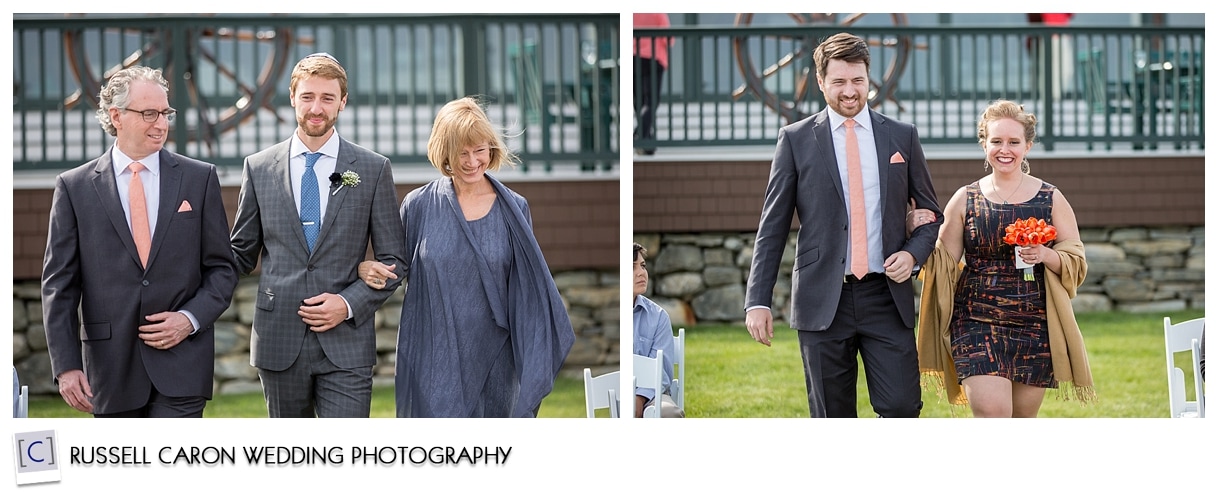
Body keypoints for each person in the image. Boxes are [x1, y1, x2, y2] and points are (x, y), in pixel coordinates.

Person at [743, 33, 942, 418]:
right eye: (839, 82)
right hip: (822, 300)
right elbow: (773, 226)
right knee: (832, 417)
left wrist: (912, 253)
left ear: (869, 78)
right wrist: (758, 300)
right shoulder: (795, 139)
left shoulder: (902, 136)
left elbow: (931, 214)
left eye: (858, 80)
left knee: (902, 406)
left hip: (886, 296)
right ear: (820, 82)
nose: (850, 91)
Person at [357, 97, 575, 417]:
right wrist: (365, 268)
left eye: (480, 150)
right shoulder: (418, 206)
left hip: (497, 359)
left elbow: (528, 289)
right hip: (434, 356)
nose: (473, 161)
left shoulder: (515, 209)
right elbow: (393, 270)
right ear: (445, 152)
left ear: (492, 149)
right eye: (462, 152)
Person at [42, 66, 238, 417]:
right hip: (109, 369)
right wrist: (66, 366)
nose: (161, 123)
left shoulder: (199, 178)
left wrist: (189, 319)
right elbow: (60, 285)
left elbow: (222, 269)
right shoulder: (74, 188)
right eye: (149, 113)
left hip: (182, 365)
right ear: (116, 116)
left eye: (166, 113)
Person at [229, 53, 407, 418]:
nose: (316, 107)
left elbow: (394, 260)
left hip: (347, 344)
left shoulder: (372, 169)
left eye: (327, 98)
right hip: (279, 339)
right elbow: (240, 254)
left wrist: (347, 305)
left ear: (342, 102)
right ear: (292, 97)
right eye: (308, 96)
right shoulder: (259, 168)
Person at [916, 100, 1095, 418]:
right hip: (976, 323)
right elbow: (943, 261)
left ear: (1028, 145)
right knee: (993, 416)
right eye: (996, 141)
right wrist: (916, 230)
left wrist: (1045, 254)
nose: (1005, 149)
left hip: (1035, 326)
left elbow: (1075, 259)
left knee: (1022, 421)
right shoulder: (965, 198)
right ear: (984, 143)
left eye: (1014, 142)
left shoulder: (1051, 198)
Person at [632, 243, 684, 418]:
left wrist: (639, 399)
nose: (641, 272)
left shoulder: (658, 316)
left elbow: (661, 372)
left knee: (669, 414)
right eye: (632, 267)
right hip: (615, 393)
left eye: (643, 266)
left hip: (653, 395)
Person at [633, 13, 671, 156]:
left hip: (633, 56)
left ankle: (646, 142)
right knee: (652, 101)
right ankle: (641, 134)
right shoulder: (657, 11)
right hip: (654, 58)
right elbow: (669, 39)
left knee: (639, 102)